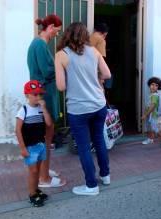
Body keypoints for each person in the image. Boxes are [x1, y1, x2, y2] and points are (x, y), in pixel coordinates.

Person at [55, 22, 111, 196]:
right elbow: (108, 74)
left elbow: (61, 86)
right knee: (99, 140)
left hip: (78, 109)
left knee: (84, 147)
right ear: (85, 35)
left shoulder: (61, 55)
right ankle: (106, 175)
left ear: (67, 35)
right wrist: (93, 78)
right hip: (99, 104)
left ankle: (91, 186)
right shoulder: (94, 51)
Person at [27, 14, 66, 188]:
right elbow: (48, 71)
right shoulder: (40, 44)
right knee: (47, 137)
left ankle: (44, 169)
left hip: (43, 94)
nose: (56, 35)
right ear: (50, 27)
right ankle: (44, 179)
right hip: (44, 96)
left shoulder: (37, 44)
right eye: (56, 31)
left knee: (45, 136)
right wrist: (63, 66)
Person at [15, 80, 53, 207]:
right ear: (27, 95)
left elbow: (48, 123)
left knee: (38, 170)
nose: (38, 97)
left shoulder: (41, 110)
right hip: (30, 147)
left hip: (40, 145)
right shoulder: (23, 110)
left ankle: (36, 191)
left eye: (40, 94)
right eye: (35, 94)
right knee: (33, 172)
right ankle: (32, 195)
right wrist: (22, 148)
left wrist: (44, 108)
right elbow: (17, 130)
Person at [141, 77, 161, 148]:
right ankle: (150, 139)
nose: (154, 87)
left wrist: (145, 115)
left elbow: (152, 106)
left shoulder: (155, 96)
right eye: (152, 84)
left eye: (156, 85)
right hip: (150, 115)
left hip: (152, 115)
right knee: (150, 127)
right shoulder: (152, 94)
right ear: (149, 85)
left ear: (158, 87)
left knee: (155, 128)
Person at [90, 23, 113, 97]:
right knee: (100, 96)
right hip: (95, 73)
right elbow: (101, 59)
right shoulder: (101, 40)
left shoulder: (86, 38)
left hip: (86, 73)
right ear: (103, 33)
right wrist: (101, 76)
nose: (105, 37)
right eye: (105, 35)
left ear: (95, 30)